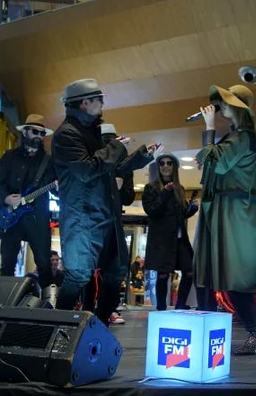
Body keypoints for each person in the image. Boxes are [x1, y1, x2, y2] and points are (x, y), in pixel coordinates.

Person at [51, 78, 156, 326]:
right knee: (79, 275)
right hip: (82, 217)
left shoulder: (92, 131)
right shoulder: (66, 135)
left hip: (105, 214)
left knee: (117, 269)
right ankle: (57, 325)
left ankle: (98, 323)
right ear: (85, 103)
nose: (102, 104)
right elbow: (87, 170)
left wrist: (141, 157)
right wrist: (116, 147)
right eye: (99, 100)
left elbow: (110, 167)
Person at [194, 84, 256, 354]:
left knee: (235, 276)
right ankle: (239, 332)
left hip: (237, 212)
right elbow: (214, 162)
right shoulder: (237, 137)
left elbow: (217, 162)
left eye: (226, 102)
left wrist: (209, 127)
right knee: (219, 274)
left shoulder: (243, 137)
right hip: (229, 210)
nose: (221, 106)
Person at [82, 123, 142, 325]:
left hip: (113, 224)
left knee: (114, 269)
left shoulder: (124, 163)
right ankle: (88, 311)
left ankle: (104, 312)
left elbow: (128, 197)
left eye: (111, 140)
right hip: (93, 222)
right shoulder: (93, 160)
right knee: (92, 270)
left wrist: (120, 187)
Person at [0, 114, 56, 288]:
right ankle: (6, 299)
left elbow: (56, 190)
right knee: (7, 264)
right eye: (35, 131)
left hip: (37, 218)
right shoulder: (9, 157)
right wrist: (6, 198)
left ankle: (47, 302)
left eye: (42, 133)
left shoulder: (49, 161)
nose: (39, 136)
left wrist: (60, 186)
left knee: (44, 264)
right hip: (11, 217)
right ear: (25, 132)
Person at [142, 153, 198, 311]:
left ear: (174, 167)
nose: (165, 166)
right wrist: (165, 193)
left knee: (189, 271)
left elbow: (182, 214)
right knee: (163, 275)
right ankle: (161, 307)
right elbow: (151, 210)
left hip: (179, 239)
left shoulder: (179, 189)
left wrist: (192, 209)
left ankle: (180, 304)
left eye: (169, 163)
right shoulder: (151, 188)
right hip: (161, 240)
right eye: (162, 163)